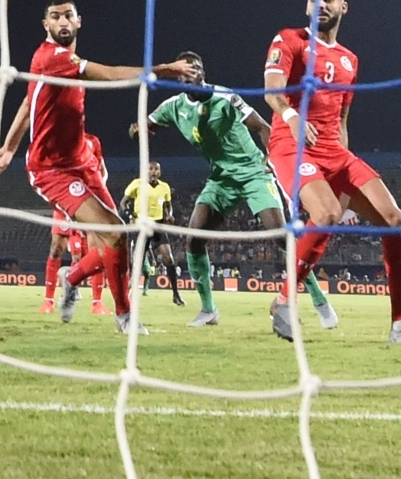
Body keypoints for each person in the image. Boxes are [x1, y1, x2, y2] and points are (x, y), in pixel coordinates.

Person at [0, 0, 195, 334]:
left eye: (68, 15)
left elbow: (27, 103)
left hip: (82, 160)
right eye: (55, 17)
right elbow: (111, 75)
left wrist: (8, 148)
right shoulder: (53, 58)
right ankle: (124, 316)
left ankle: (74, 277)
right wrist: (164, 70)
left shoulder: (58, 62)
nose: (63, 21)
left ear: (78, 21)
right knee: (113, 233)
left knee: (118, 239)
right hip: (51, 170)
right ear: (46, 25)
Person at [263, 0, 401, 344]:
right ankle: (283, 301)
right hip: (291, 146)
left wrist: (344, 171)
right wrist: (293, 118)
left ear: (343, 7)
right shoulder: (289, 40)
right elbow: (272, 91)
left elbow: (342, 120)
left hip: (335, 152)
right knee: (325, 214)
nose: (320, 5)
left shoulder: (349, 60)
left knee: (395, 220)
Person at [129, 51, 337, 328]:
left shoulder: (225, 97)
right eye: (187, 72)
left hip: (253, 174)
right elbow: (144, 125)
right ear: (178, 78)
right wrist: (138, 130)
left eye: (198, 69)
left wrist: (269, 160)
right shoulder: (172, 106)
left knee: (280, 236)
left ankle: (319, 300)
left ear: (204, 73)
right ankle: (208, 310)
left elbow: (262, 127)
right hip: (220, 179)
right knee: (193, 238)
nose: (194, 75)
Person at [40, 133, 110, 316]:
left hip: (87, 201)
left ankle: (97, 303)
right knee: (56, 248)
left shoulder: (93, 141)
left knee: (98, 248)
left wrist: (98, 190)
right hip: (64, 199)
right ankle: (48, 301)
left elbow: (102, 170)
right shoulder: (56, 140)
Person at [120, 162, 185, 306]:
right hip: (142, 227)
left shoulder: (165, 187)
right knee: (137, 263)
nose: (153, 172)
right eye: (151, 169)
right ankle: (127, 295)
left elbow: (168, 207)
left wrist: (169, 215)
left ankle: (176, 294)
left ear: (160, 172)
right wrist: (131, 216)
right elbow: (123, 203)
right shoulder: (137, 184)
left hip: (157, 225)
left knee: (169, 259)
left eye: (156, 169)